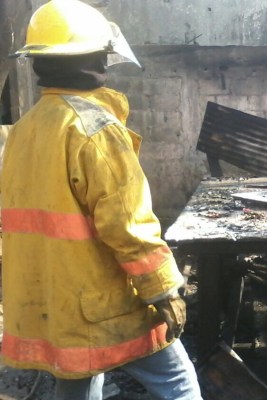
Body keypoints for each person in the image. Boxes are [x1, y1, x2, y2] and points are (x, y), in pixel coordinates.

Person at [1, 1, 203, 399]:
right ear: (94, 58)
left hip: (52, 302)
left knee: (77, 381)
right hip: (99, 302)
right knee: (177, 381)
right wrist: (165, 290)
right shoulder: (94, 129)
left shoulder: (24, 130)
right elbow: (128, 225)